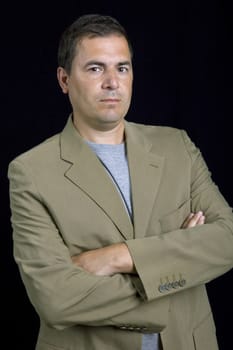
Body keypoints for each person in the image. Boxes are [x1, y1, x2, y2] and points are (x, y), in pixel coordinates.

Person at [8, 13, 233, 350]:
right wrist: (177, 269)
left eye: (122, 68)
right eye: (96, 68)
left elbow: (227, 240)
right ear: (64, 79)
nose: (112, 81)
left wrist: (118, 257)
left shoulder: (177, 147)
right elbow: (56, 298)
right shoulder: (30, 172)